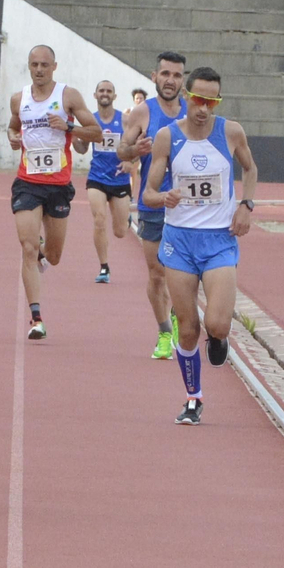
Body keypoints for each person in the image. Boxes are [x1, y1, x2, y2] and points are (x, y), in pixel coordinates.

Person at [142, 65, 259, 426]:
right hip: (179, 242)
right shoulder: (166, 137)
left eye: (212, 101)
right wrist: (164, 197)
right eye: (198, 100)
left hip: (219, 241)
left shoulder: (231, 133)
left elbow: (251, 170)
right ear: (187, 97)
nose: (204, 108)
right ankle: (193, 398)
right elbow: (147, 192)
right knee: (189, 327)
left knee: (218, 324)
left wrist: (246, 205)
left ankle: (219, 338)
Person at [5, 45, 105, 339]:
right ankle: (36, 318)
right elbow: (13, 128)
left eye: (44, 65)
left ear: (54, 67)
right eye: (34, 64)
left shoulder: (68, 96)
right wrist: (13, 138)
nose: (39, 70)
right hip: (27, 182)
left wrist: (69, 126)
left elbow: (96, 132)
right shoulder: (18, 99)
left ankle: (41, 253)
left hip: (59, 185)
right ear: (29, 66)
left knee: (55, 255)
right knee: (26, 246)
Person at [118, 51, 187, 359]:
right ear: (154, 76)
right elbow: (122, 151)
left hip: (188, 207)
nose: (170, 80)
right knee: (157, 272)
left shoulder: (193, 111)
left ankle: (179, 309)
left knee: (184, 273)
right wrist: (135, 148)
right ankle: (163, 331)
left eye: (176, 75)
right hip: (154, 204)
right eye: (165, 74)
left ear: (183, 81)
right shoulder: (142, 112)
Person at [85, 78, 129, 284]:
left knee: (120, 232)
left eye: (109, 91)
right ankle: (104, 267)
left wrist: (132, 163)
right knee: (99, 219)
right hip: (97, 178)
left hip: (119, 179)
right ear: (95, 95)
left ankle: (125, 218)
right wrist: (77, 137)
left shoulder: (125, 120)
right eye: (101, 90)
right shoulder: (90, 121)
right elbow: (81, 149)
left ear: (114, 96)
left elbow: (137, 147)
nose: (105, 94)